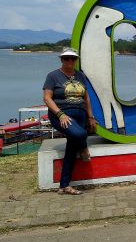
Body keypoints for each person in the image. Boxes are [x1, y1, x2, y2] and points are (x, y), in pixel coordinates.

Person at [43, 47, 96, 195]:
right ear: (61, 59)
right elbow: (47, 98)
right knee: (80, 134)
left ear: (76, 60)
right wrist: (60, 114)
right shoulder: (53, 76)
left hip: (80, 115)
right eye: (66, 58)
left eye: (73, 58)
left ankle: (64, 186)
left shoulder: (80, 76)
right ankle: (84, 147)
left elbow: (86, 98)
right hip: (61, 115)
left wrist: (90, 117)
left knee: (71, 149)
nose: (69, 61)